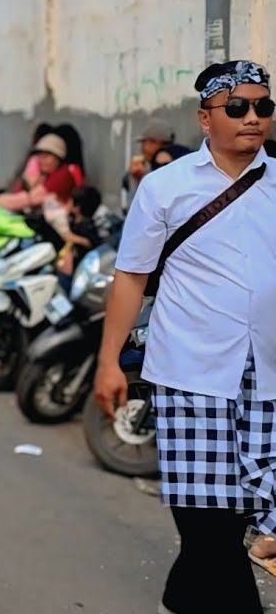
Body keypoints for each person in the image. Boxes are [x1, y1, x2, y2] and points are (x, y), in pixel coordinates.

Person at [94, 60, 276, 614]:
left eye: (263, 106)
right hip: (190, 374)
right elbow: (130, 277)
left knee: (231, 523)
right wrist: (108, 363)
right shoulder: (165, 187)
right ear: (205, 118)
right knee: (210, 528)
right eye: (237, 107)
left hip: (267, 376)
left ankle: (179, 602)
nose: (253, 117)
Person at [123, 120, 176, 197]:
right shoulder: (148, 164)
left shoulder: (170, 166)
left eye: (144, 142)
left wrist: (144, 177)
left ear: (155, 142)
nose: (142, 148)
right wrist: (135, 177)